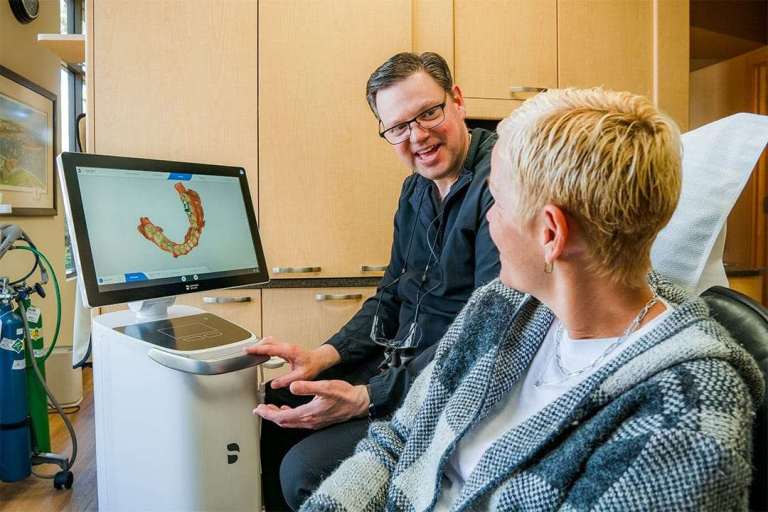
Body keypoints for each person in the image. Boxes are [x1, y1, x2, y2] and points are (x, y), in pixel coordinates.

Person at [300, 88, 765, 511]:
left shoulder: (685, 418)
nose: (488, 222)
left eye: (496, 201)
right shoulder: (497, 308)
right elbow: (397, 440)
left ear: (549, 233)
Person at [247, 52, 500, 511]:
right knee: (278, 405)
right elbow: (390, 295)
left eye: (429, 112)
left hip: (447, 381)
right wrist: (322, 356)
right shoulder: (415, 190)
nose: (418, 136)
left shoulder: (501, 185)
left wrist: (366, 397)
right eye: (399, 127)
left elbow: (487, 337)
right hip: (397, 361)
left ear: (457, 100)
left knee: (304, 471)